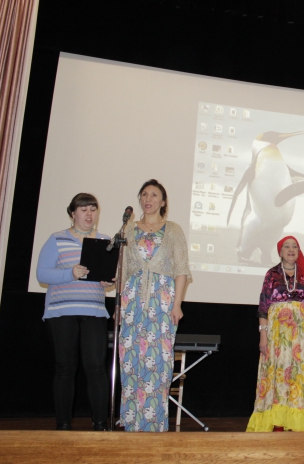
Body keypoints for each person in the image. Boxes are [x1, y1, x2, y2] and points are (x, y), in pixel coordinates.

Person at [119, 179, 191, 432]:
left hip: (162, 302)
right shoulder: (128, 229)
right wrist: (119, 305)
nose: (148, 199)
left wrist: (177, 304)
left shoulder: (173, 230)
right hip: (132, 301)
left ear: (162, 202)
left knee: (157, 362)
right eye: (144, 194)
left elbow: (181, 270)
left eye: (154, 195)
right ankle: (131, 422)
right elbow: (123, 269)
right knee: (130, 360)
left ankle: (153, 424)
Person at [37, 193, 113, 431]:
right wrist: (69, 273)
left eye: (93, 209)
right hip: (62, 312)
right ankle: (63, 425)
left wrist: (108, 281)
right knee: (65, 368)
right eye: (83, 209)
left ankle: (100, 424)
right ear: (73, 213)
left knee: (97, 368)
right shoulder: (57, 239)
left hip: (94, 311)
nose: (89, 214)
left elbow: (109, 276)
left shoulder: (105, 241)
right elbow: (42, 274)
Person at [246, 236, 304, 432]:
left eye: (295, 246)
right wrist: (263, 336)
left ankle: (300, 421)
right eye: (287, 246)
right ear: (280, 251)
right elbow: (263, 308)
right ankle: (278, 420)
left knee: (301, 375)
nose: (291, 250)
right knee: (280, 373)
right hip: (279, 336)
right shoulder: (272, 274)